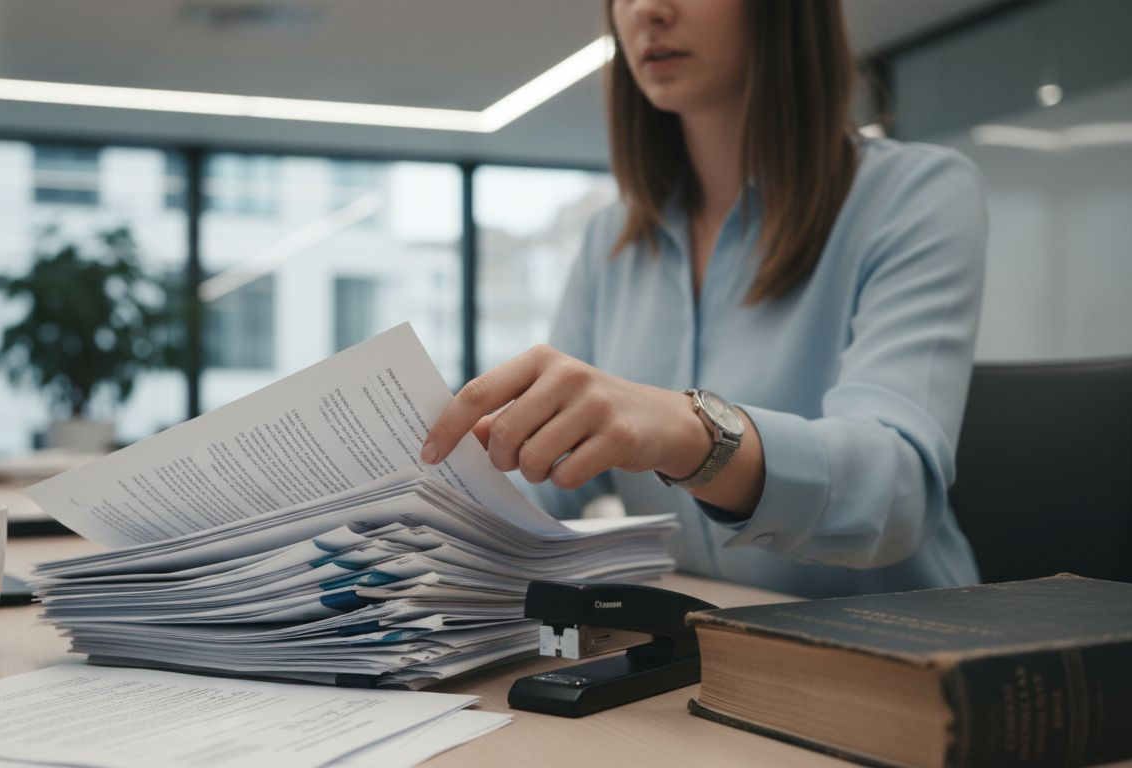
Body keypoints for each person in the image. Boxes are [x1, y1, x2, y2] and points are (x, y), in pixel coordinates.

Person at [420, 0, 987, 599]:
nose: (647, 10)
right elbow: (551, 474)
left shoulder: (916, 194)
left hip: (898, 652)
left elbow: (895, 490)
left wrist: (688, 432)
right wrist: (435, 499)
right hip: (703, 644)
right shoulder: (610, 240)